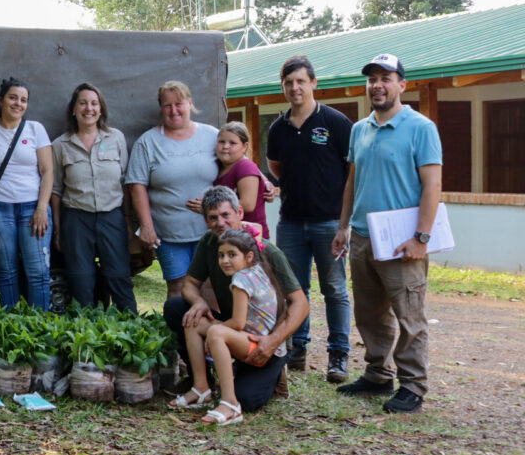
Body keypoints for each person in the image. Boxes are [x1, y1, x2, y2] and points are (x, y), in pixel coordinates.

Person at [332, 54, 442, 414]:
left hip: (402, 240)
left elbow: (432, 186)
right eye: (372, 79)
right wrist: (343, 226)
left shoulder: (421, 127)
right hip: (364, 237)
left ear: (402, 85)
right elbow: (353, 181)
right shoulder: (360, 129)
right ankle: (379, 374)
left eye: (386, 78)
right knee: (369, 313)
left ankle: (413, 386)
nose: (377, 85)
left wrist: (421, 238)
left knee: (409, 315)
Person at [163, 186, 308, 412]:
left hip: (264, 337)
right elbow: (190, 284)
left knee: (247, 400)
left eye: (225, 215)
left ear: (240, 213)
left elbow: (301, 303)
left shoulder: (266, 251)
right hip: (233, 327)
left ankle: (273, 374)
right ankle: (201, 382)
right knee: (177, 309)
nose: (220, 222)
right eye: (213, 218)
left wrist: (274, 340)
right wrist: (199, 302)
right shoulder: (210, 243)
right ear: (206, 221)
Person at [267, 55, 353, 382]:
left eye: (301, 81)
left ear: (313, 83)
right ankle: (298, 348)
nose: (295, 87)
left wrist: (344, 222)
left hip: (329, 222)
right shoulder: (278, 128)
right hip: (290, 223)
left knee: (334, 288)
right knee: (295, 289)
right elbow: (277, 169)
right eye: (289, 82)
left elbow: (351, 171)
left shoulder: (335, 122)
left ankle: (338, 355)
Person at [170, 225, 285, 426]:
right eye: (221, 255)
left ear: (249, 256)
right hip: (248, 339)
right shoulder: (256, 269)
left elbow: (238, 323)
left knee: (215, 332)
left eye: (232, 254)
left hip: (259, 347)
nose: (225, 260)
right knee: (194, 322)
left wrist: (217, 328)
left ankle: (230, 404)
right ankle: (201, 388)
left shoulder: (241, 279)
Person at [126, 81, 219, 298]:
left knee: (209, 286)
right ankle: (177, 332)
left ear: (190, 103)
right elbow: (136, 186)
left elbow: (238, 163)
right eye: (167, 105)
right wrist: (146, 227)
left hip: (210, 230)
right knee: (178, 287)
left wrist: (263, 180)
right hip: (169, 233)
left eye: (179, 103)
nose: (173, 110)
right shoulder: (148, 142)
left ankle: (212, 332)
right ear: (161, 109)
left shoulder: (212, 136)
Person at [0, 78, 54, 309]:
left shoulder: (36, 129)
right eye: (13, 97)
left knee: (37, 272)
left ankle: (39, 327)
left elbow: (47, 172)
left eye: (23, 100)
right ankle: (10, 326)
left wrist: (42, 208)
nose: (18, 103)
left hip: (32, 209)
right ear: (1, 100)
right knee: (6, 272)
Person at [50, 83, 137, 311]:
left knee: (118, 275)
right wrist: (58, 229)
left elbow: (125, 182)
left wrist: (127, 219)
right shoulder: (60, 145)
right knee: (80, 279)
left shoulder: (116, 138)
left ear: (101, 109)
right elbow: (56, 190)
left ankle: (132, 328)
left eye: (94, 103)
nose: (89, 108)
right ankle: (87, 334)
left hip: (112, 217)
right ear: (73, 109)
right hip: (76, 220)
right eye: (83, 103)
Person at [186, 122, 269, 237]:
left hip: (250, 237)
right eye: (221, 142)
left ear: (245, 147)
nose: (225, 146)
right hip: (228, 236)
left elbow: (248, 204)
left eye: (232, 143)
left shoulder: (245, 167)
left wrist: (208, 208)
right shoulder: (219, 167)